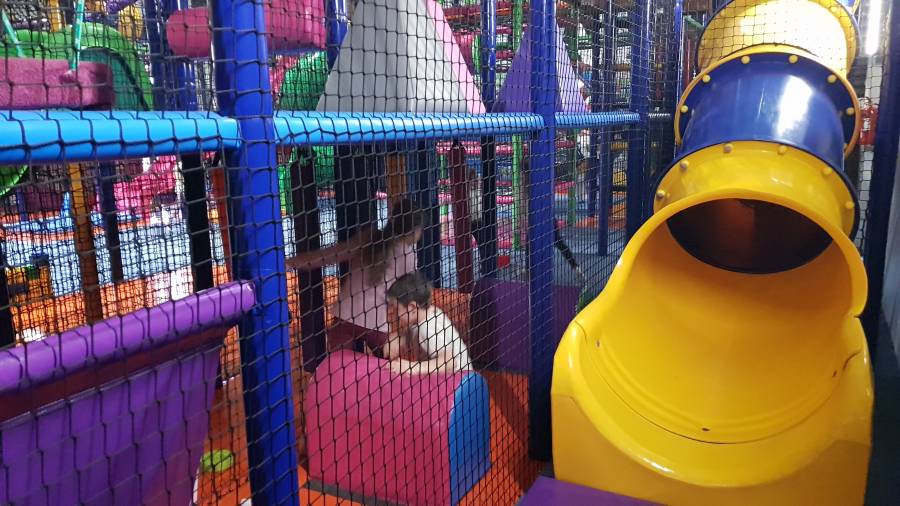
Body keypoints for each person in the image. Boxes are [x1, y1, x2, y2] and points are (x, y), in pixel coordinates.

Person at [286, 198, 424, 355]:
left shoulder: (370, 236)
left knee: (338, 365)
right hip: (375, 322)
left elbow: (331, 255)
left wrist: (292, 262)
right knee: (387, 366)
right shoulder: (408, 255)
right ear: (415, 230)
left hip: (344, 316)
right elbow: (407, 294)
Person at [384, 272, 472, 374]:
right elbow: (414, 333)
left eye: (395, 308)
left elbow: (449, 361)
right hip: (459, 375)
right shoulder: (427, 314)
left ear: (412, 308)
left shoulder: (428, 328)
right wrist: (399, 338)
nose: (391, 312)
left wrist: (412, 367)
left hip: (460, 379)